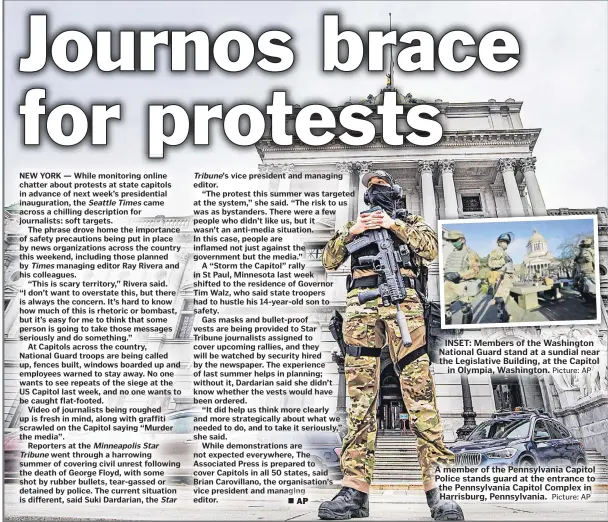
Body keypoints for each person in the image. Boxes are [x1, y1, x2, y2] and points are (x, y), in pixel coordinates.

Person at [319, 170, 463, 521]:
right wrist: (353, 232)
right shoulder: (357, 225)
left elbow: (430, 248)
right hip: (360, 311)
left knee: (420, 396)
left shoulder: (412, 221)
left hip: (405, 309)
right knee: (359, 401)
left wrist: (393, 225)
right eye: (370, 188)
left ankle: (436, 489)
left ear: (396, 193)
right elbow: (329, 260)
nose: (375, 191)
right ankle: (354, 490)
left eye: (381, 186)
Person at [442, 230, 480, 325]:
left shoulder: (471, 253)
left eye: (455, 240)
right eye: (451, 241)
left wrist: (459, 274)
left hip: (462, 284)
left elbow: (475, 271)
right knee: (443, 309)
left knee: (465, 308)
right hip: (448, 283)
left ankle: (465, 330)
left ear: (462, 240)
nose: (453, 243)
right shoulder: (453, 253)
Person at [487, 233, 515, 323]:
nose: (506, 243)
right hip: (502, 278)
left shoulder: (505, 253)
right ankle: (503, 319)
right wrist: (503, 261)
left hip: (507, 279)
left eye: (507, 242)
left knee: (504, 300)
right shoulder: (496, 251)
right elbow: (490, 263)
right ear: (499, 242)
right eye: (504, 241)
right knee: (500, 300)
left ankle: (504, 316)